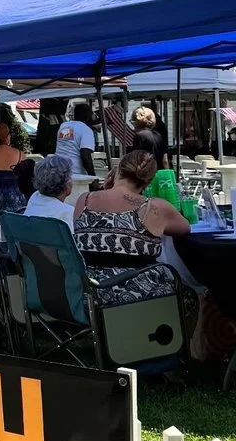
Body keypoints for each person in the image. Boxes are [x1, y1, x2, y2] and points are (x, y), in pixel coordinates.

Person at [74, 150, 189, 305]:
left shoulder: (85, 200)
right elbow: (185, 228)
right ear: (148, 182)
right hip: (140, 298)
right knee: (193, 295)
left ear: (117, 170)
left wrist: (106, 190)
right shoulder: (154, 207)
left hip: (91, 296)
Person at [24, 154, 75, 228]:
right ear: (66, 182)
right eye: (70, 176)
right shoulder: (65, 212)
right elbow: (70, 239)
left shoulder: (35, 197)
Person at [55, 101, 96, 179]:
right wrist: (93, 177)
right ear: (88, 116)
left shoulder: (64, 126)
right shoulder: (86, 130)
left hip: (58, 170)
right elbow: (85, 154)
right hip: (75, 173)